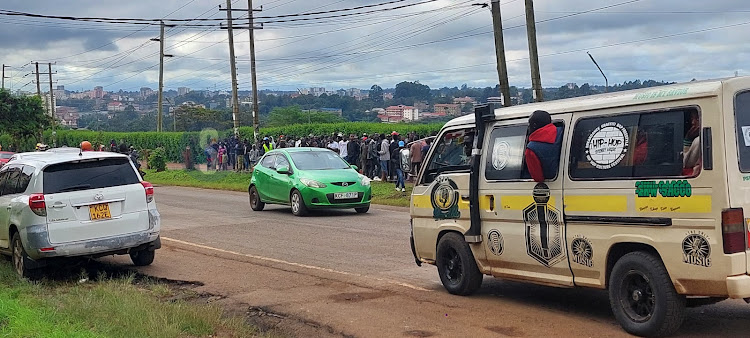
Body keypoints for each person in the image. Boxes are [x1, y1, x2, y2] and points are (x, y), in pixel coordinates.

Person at [524, 110, 563, 183]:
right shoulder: (563, 131)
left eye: (530, 124)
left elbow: (538, 178)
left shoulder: (531, 149)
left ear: (534, 125)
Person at [683, 110, 702, 176]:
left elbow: (685, 163)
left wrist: (687, 141)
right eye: (692, 118)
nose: (693, 122)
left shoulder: (699, 140)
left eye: (697, 119)